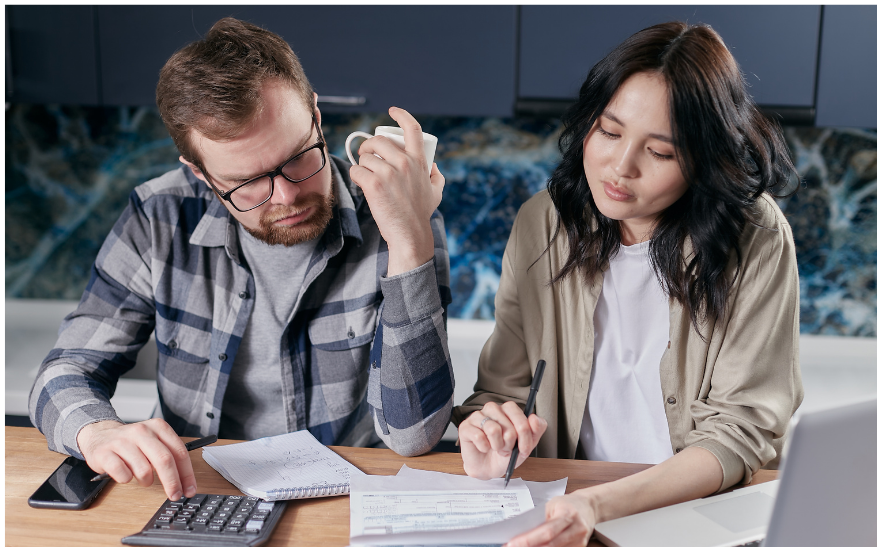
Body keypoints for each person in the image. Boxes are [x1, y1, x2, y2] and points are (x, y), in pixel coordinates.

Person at [29, 17, 454, 502]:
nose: (287, 196)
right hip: (198, 495)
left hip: (342, 501)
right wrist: (97, 432)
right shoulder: (158, 216)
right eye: (248, 182)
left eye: (297, 157)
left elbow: (414, 434)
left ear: (316, 117)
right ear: (201, 173)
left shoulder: (400, 214)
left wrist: (409, 239)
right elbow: (64, 371)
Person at [453, 21, 803, 547]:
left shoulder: (754, 235)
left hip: (696, 515)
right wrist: (490, 433)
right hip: (570, 509)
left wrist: (596, 505)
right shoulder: (542, 222)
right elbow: (503, 391)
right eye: (610, 132)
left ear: (703, 159)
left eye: (660, 153)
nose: (620, 167)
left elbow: (741, 430)